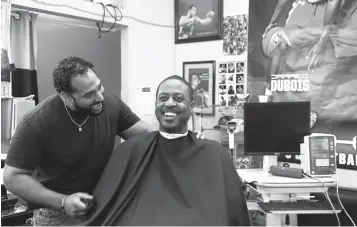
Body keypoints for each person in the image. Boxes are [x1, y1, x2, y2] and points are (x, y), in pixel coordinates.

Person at [2, 57, 154, 226]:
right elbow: (12, 177)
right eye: (89, 94)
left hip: (101, 202)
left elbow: (145, 135)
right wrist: (63, 201)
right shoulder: (37, 122)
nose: (100, 97)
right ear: (66, 97)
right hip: (57, 212)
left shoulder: (110, 103)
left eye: (99, 87)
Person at [82, 75, 251, 226]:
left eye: (178, 98)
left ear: (191, 106)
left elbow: (233, 212)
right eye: (163, 98)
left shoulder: (214, 153)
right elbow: (104, 208)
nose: (169, 103)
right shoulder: (129, 150)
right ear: (156, 104)